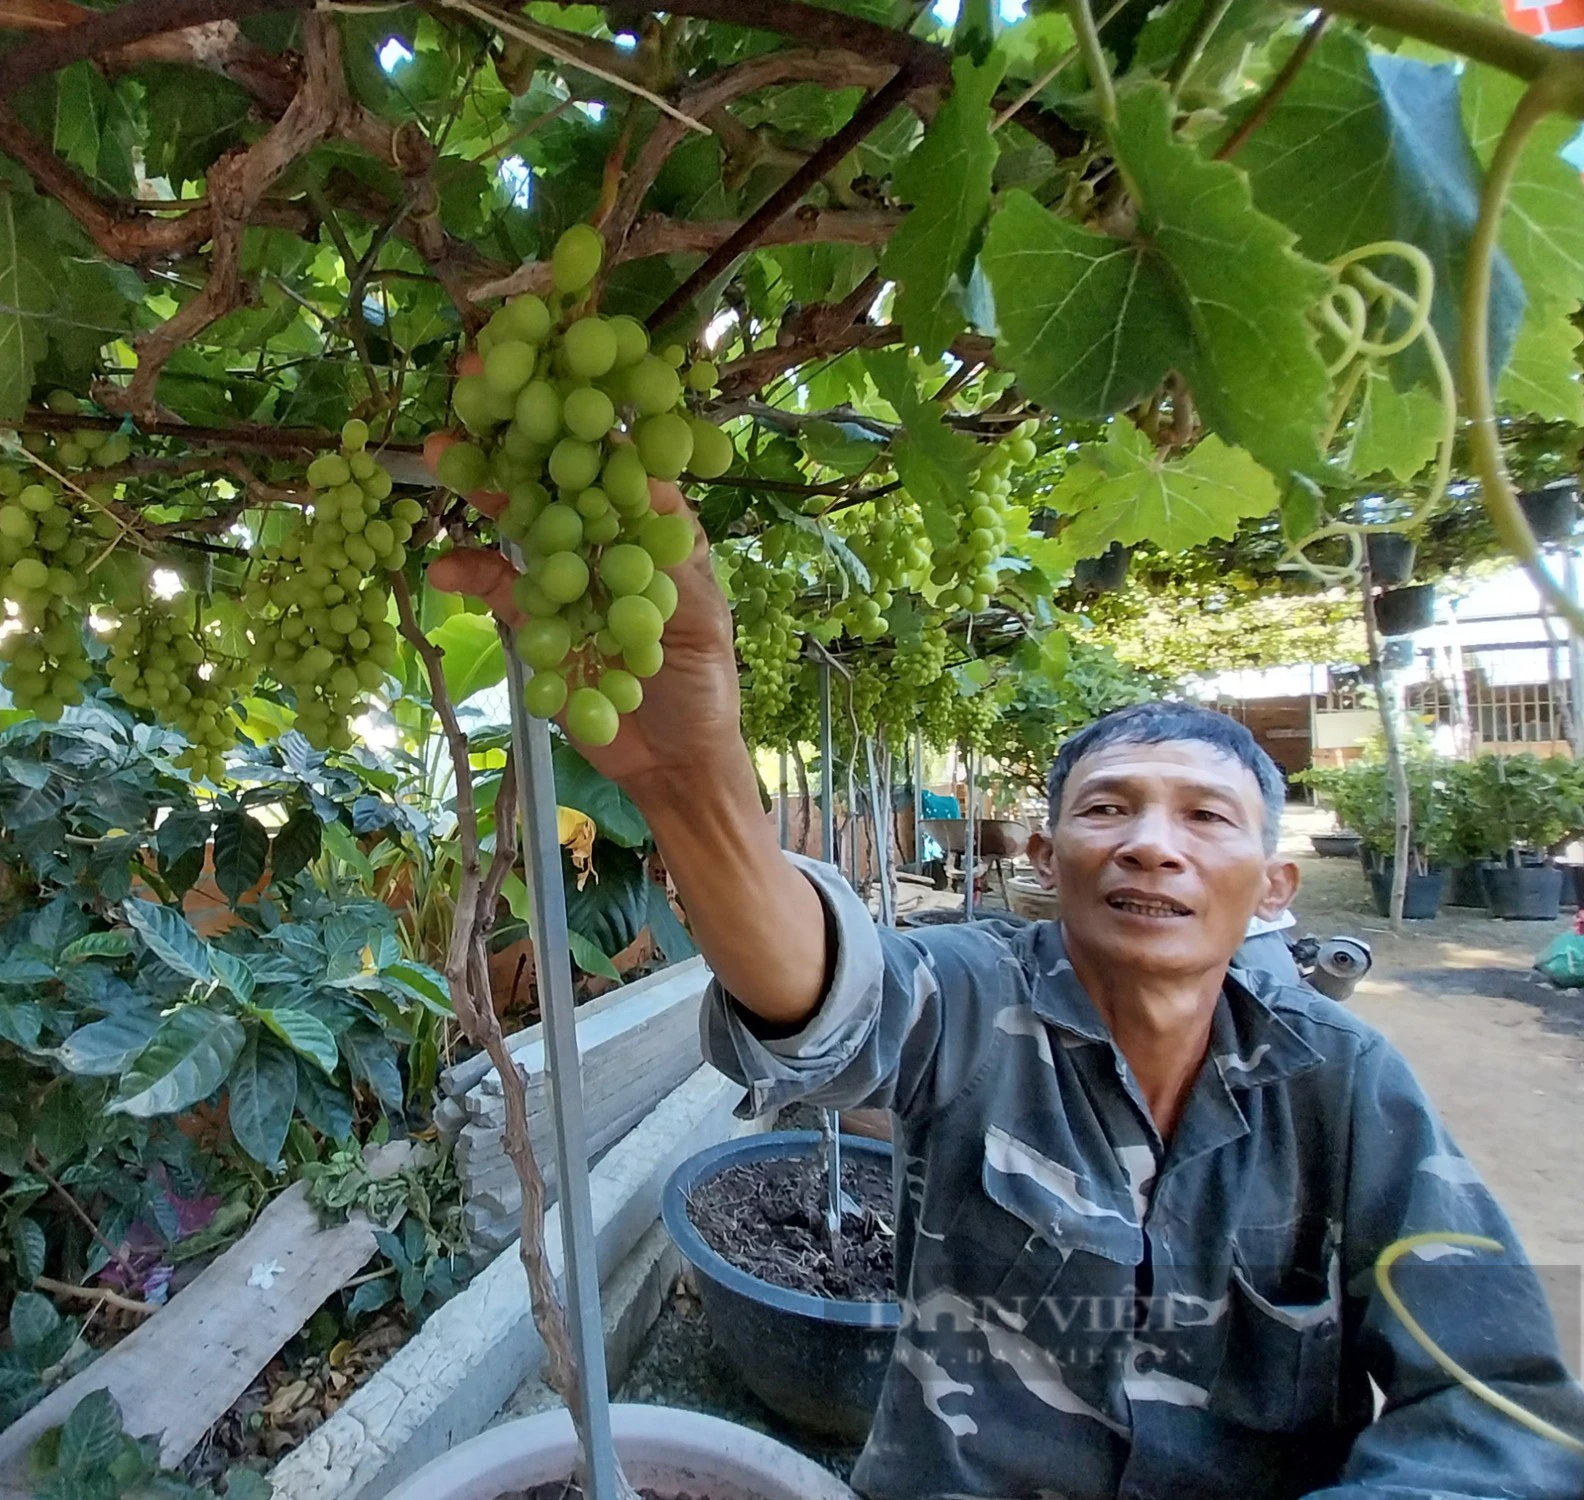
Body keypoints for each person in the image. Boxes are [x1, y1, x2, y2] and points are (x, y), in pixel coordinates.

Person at [431, 474, 1584, 1500]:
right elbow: (827, 1006)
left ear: (1275, 882)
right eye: (1103, 808)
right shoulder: (983, 998)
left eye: (1202, 817)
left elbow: (1498, 1418)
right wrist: (694, 784)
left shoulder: (1343, 1086)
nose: (1148, 844)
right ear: (1042, 858)